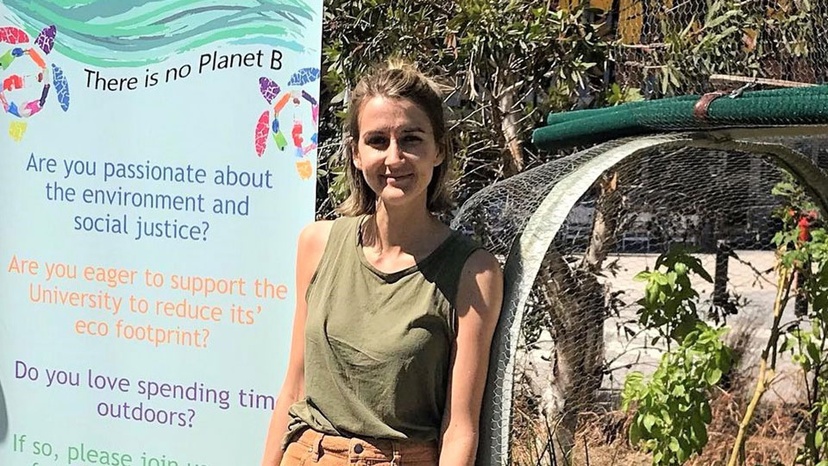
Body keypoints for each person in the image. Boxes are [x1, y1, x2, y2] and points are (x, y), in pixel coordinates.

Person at [261, 60, 504, 466]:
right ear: (355, 154)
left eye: (411, 139)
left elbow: (460, 427)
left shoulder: (473, 273)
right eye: (377, 141)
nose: (395, 157)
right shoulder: (317, 244)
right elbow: (294, 387)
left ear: (438, 149)